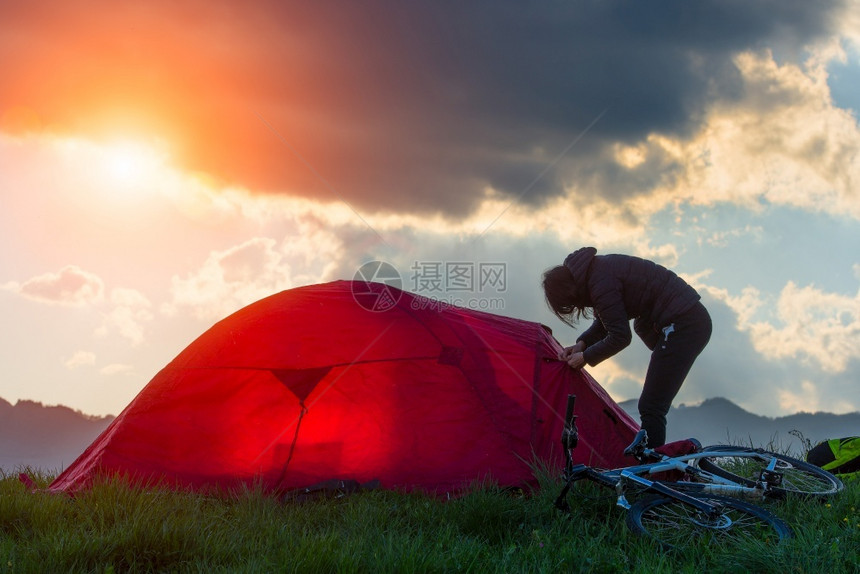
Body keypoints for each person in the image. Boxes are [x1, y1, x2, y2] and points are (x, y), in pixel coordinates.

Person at [542, 246, 712, 447]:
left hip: (684, 324)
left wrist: (586, 357)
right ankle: (651, 465)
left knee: (652, 405)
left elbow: (620, 336)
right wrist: (581, 344)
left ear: (570, 291)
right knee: (654, 397)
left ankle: (651, 470)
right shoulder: (594, 274)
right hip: (680, 322)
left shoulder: (600, 283)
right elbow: (606, 322)